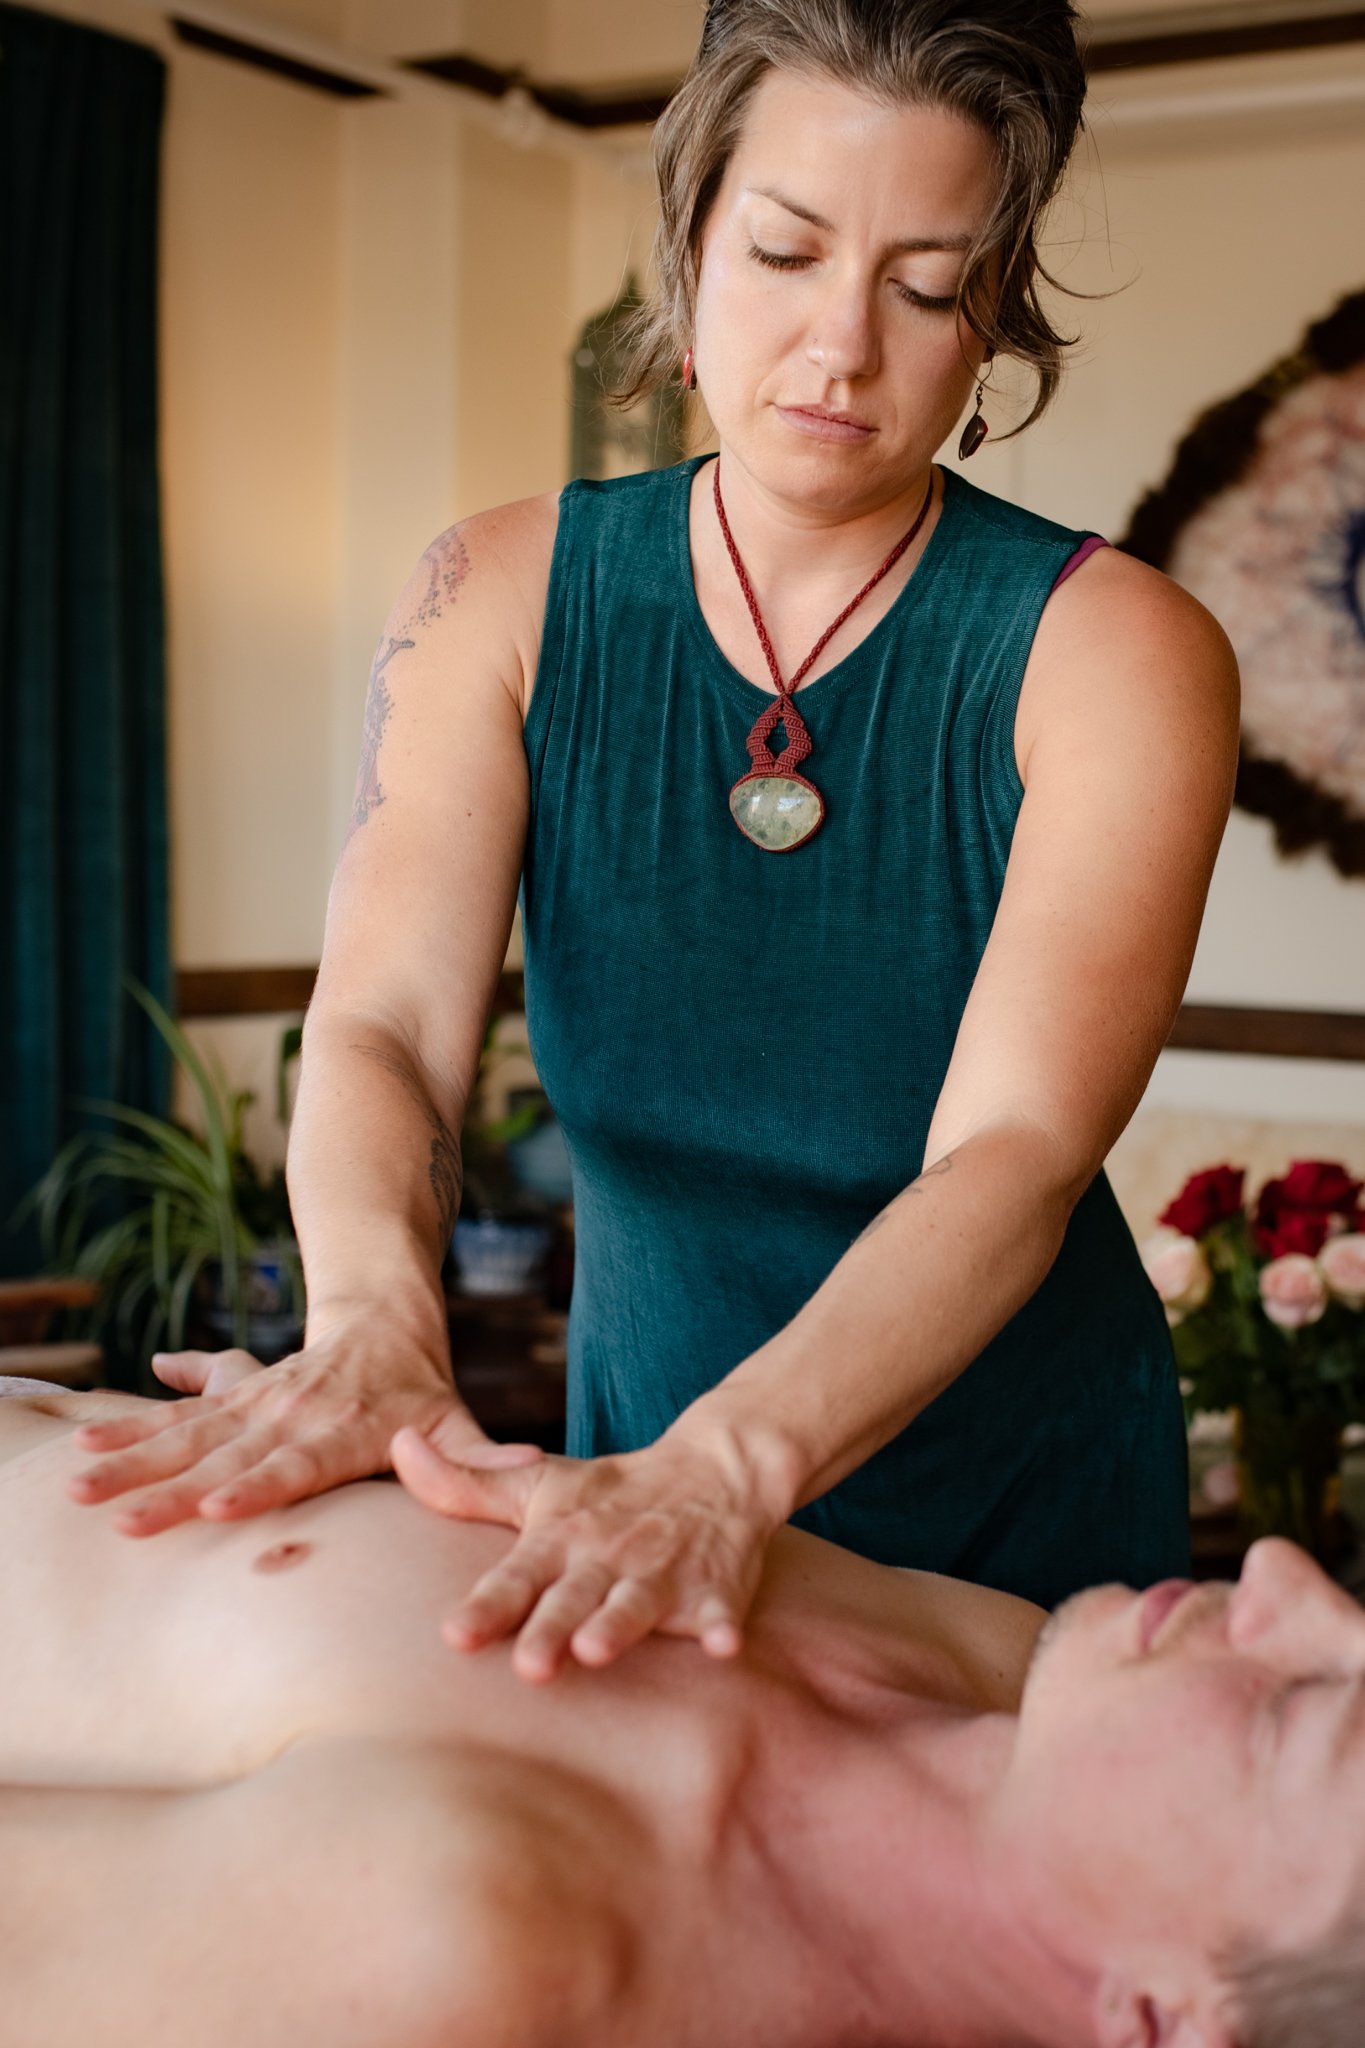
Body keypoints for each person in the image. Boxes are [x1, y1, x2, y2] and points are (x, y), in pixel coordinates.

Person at [66, 0, 1242, 1668]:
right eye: (782, 250)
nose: (839, 347)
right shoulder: (500, 593)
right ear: (689, 247)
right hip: (632, 1474)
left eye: (922, 285)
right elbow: (388, 1021)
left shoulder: (1114, 651)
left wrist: (730, 1469)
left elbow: (1011, 1156)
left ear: (995, 319)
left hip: (1002, 1531)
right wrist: (373, 1323)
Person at [4, 1376, 1362, 2048]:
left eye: (1295, 1717)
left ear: (1163, 2024)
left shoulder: (481, 1946)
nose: (1284, 1576)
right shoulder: (1006, 1664)